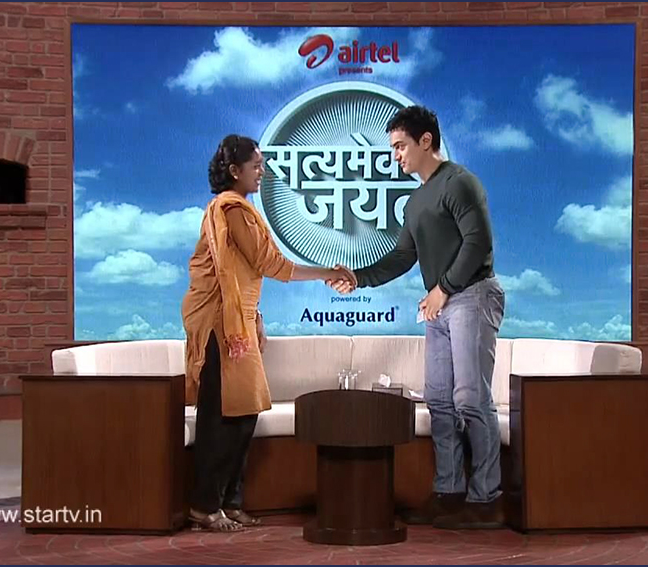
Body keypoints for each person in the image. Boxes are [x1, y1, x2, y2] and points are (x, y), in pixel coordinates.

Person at [328, 106, 506, 529]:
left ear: (426, 141)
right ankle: (449, 494)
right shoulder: (415, 200)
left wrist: (442, 289)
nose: (395, 156)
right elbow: (403, 256)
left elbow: (478, 242)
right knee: (440, 401)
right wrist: (359, 277)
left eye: (400, 146)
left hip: (472, 295)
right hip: (440, 304)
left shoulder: (459, 182)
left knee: (470, 399)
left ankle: (487, 500)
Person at [182, 134, 349, 532]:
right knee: (221, 416)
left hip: (238, 319)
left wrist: (254, 315)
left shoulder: (244, 209)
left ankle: (230, 500)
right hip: (219, 323)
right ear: (234, 170)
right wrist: (328, 272)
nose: (262, 172)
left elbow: (245, 272)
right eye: (256, 165)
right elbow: (269, 264)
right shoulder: (230, 208)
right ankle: (204, 506)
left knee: (246, 411)